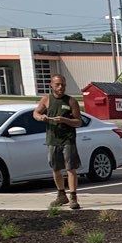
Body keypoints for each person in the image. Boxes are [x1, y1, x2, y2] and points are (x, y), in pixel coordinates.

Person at [33, 74, 83, 210]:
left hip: (68, 139)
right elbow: (36, 113)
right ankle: (61, 195)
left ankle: (73, 197)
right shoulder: (46, 99)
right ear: (51, 85)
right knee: (55, 168)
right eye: (58, 85)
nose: (61, 87)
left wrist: (64, 120)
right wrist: (41, 117)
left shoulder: (71, 101)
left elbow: (78, 122)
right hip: (52, 139)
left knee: (70, 168)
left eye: (63, 85)